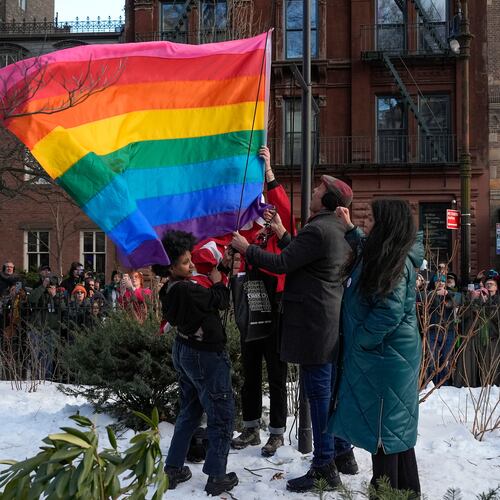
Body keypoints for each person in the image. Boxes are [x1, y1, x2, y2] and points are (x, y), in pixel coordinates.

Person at [231, 175, 358, 493]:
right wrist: (282, 232)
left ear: (328, 200)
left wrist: (247, 249)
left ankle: (324, 465)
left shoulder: (318, 228)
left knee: (318, 395)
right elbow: (306, 259)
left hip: (314, 323)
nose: (312, 191)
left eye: (318, 190)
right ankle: (343, 454)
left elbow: (284, 263)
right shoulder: (338, 227)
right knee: (330, 392)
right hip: (329, 320)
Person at [329, 199, 423, 498]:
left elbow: (388, 313)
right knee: (395, 434)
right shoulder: (387, 252)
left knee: (384, 434)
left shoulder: (394, 262)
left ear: (385, 224)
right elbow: (368, 248)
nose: (364, 220)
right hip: (387, 358)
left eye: (369, 218)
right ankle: (407, 492)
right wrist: (350, 229)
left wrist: (361, 342)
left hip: (385, 359)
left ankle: (387, 492)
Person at [159, 230, 238, 496]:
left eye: (190, 259)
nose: (191, 265)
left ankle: (173, 468)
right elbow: (220, 300)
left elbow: (210, 299)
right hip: (206, 357)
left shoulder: (170, 288)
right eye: (185, 262)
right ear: (171, 266)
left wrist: (222, 268)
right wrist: (218, 281)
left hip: (186, 352)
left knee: (190, 411)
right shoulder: (187, 290)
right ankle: (217, 475)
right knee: (221, 414)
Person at [231, 146, 292, 457]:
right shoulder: (249, 230)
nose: (267, 211)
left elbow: (282, 203)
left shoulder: (282, 231)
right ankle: (251, 427)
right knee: (250, 368)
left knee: (276, 371)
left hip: (276, 302)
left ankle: (277, 432)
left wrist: (269, 170)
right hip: (252, 299)